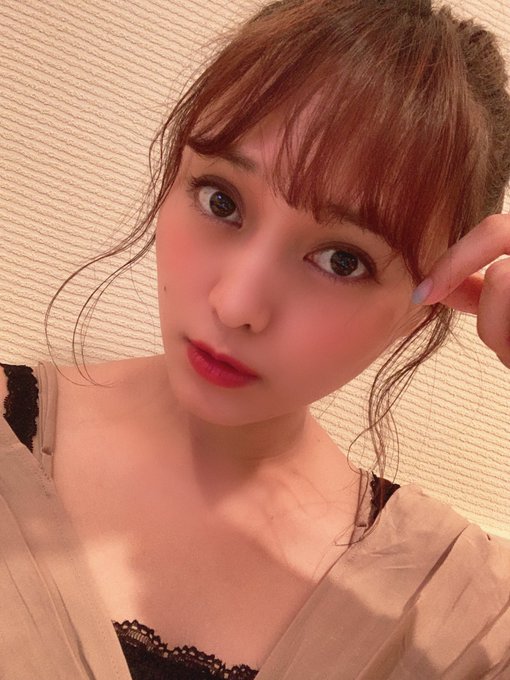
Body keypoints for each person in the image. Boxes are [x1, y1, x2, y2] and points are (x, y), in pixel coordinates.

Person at [1, 0, 510, 678]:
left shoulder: (459, 615)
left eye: (343, 260)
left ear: (425, 306)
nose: (236, 305)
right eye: (221, 200)